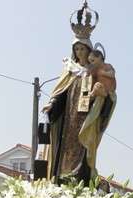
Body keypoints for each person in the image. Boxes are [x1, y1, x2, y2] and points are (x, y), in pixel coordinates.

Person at [43, 32, 116, 183]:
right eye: (77, 49)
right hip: (69, 119)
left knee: (84, 147)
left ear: (89, 51)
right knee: (65, 150)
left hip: (87, 118)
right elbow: (61, 91)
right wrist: (52, 104)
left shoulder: (95, 70)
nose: (80, 52)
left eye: (83, 49)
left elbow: (109, 94)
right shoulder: (71, 68)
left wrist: (102, 95)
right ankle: (62, 178)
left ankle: (81, 179)